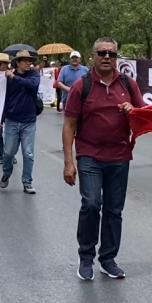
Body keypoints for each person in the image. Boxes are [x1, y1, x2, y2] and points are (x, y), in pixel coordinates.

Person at [62, 37, 145, 281]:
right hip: (89, 155)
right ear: (93, 57)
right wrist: (69, 162)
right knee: (90, 204)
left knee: (113, 209)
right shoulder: (82, 86)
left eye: (111, 53)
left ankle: (107, 259)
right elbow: (68, 126)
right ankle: (86, 258)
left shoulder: (128, 84)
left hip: (120, 156)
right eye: (101, 53)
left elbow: (142, 119)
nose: (107, 57)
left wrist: (133, 112)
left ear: (117, 57)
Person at [0, 49, 40, 194]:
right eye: (25, 61)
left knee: (28, 154)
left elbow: (32, 85)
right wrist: (1, 120)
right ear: (18, 63)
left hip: (29, 121)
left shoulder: (34, 74)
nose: (29, 63)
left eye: (30, 61)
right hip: (12, 120)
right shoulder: (8, 78)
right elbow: (4, 100)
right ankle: (7, 172)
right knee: (8, 153)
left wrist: (14, 77)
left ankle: (27, 182)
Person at [0, 53, 15, 166]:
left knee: (12, 134)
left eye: (0, 63)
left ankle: (11, 154)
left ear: (6, 64)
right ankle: (1, 155)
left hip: (10, 106)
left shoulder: (12, 76)